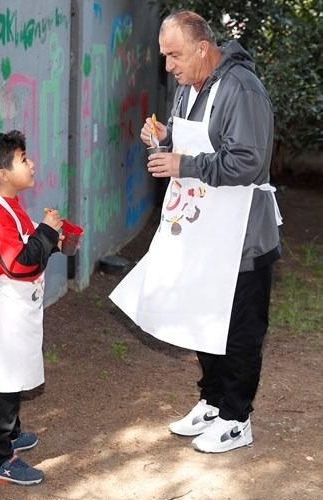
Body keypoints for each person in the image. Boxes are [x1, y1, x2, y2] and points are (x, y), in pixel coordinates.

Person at [111, 10, 281, 454]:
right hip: (204, 234)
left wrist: (181, 163)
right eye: (165, 55)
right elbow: (203, 145)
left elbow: (247, 161)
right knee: (204, 319)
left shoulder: (242, 89)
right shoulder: (189, 87)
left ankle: (236, 417)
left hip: (243, 238)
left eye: (175, 55)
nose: (168, 65)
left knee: (240, 329)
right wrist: (165, 141)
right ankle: (212, 400)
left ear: (203, 49)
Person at [0, 130, 62, 484]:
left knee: (14, 376)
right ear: (3, 175)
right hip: (2, 313)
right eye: (24, 159)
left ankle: (9, 434)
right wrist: (47, 234)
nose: (32, 162)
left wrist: (53, 238)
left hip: (17, 310)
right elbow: (20, 263)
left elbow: (27, 249)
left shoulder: (11, 207)